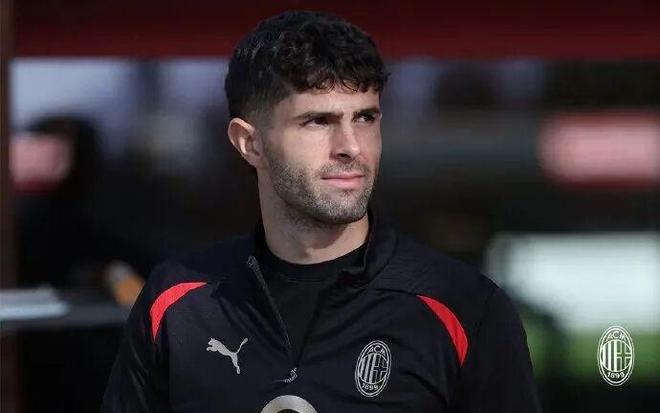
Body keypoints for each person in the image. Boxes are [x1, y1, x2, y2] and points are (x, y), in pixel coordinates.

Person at [102, 10, 541, 412]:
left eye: (365, 118)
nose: (351, 147)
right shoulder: (176, 304)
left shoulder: (463, 306)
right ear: (249, 143)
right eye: (318, 121)